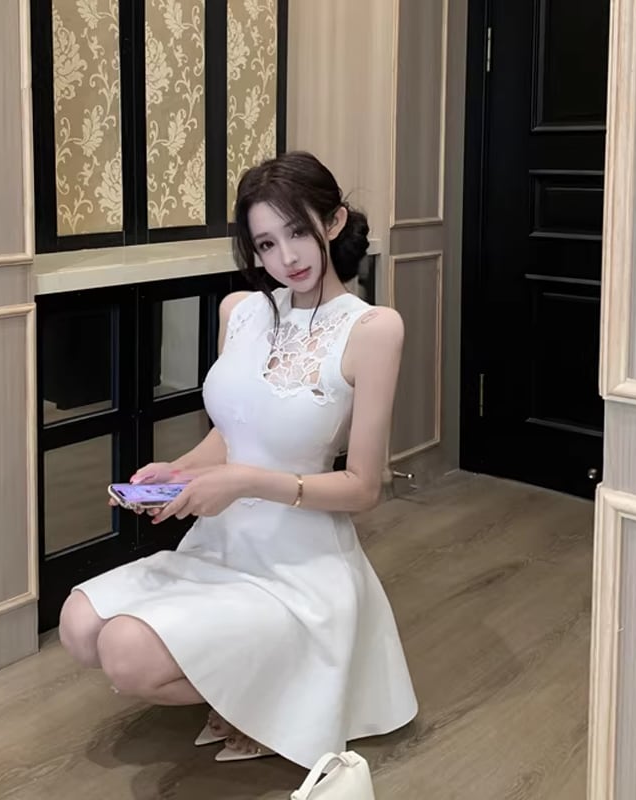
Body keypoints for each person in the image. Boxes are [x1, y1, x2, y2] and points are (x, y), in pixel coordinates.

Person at [58, 150, 418, 769]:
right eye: (267, 244)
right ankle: (259, 687)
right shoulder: (241, 312)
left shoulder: (373, 330)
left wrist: (244, 482)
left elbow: (364, 488)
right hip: (221, 545)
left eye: (298, 231)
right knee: (79, 625)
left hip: (300, 565)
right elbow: (232, 434)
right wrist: (180, 471)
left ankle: (272, 697)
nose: (287, 257)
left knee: (126, 651)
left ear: (334, 221)